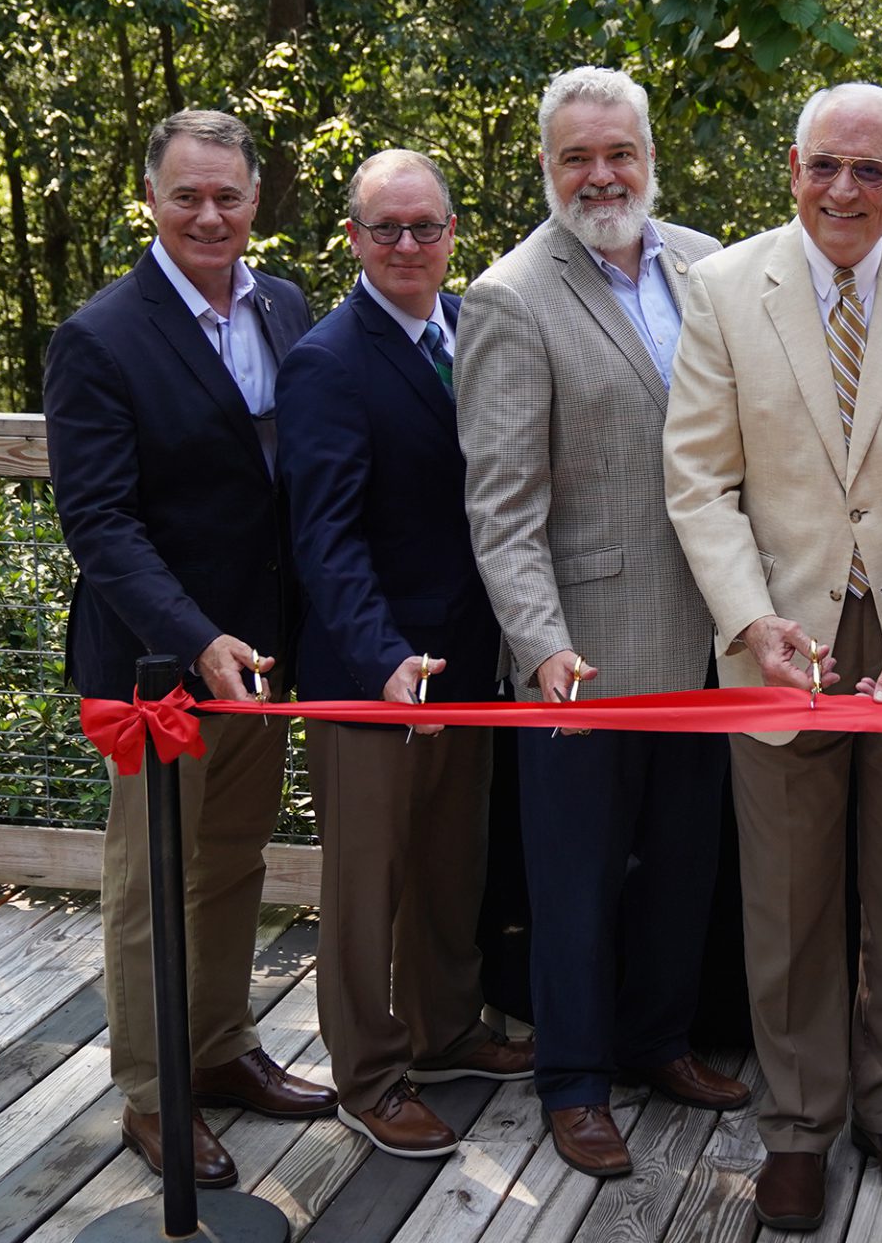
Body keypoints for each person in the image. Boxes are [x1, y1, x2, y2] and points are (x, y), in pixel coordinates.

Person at [664, 81, 882, 1231]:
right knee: (791, 897)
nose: (845, 191)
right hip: (778, 635)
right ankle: (799, 1126)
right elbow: (699, 481)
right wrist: (750, 621)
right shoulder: (719, 289)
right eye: (825, 166)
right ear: (791, 167)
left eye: (871, 171)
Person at [460, 67, 749, 1180]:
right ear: (546, 165)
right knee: (575, 881)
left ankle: (657, 1041)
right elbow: (501, 506)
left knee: (684, 860)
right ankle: (574, 1081)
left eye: (617, 152)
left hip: (710, 639)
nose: (600, 174)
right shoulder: (508, 297)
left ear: (647, 155)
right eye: (576, 156)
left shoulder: (705, 260)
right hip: (579, 649)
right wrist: (539, 646)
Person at [43, 108, 331, 1186]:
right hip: (159, 669)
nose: (209, 215)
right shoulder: (99, 337)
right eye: (186, 196)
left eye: (228, 196)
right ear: (151, 202)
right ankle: (154, 1093)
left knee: (232, 865)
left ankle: (219, 1050)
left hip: (265, 659)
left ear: (256, 202)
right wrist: (196, 638)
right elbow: (100, 525)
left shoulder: (288, 306)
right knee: (150, 881)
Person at [277, 149, 532, 1159]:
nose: (407, 246)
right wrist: (381, 655)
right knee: (366, 884)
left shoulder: (475, 328)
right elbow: (323, 538)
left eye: (425, 227)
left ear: (451, 232)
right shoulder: (326, 361)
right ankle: (369, 1077)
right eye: (385, 228)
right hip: (369, 670)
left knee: (446, 864)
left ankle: (443, 1030)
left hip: (468, 662)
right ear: (353, 238)